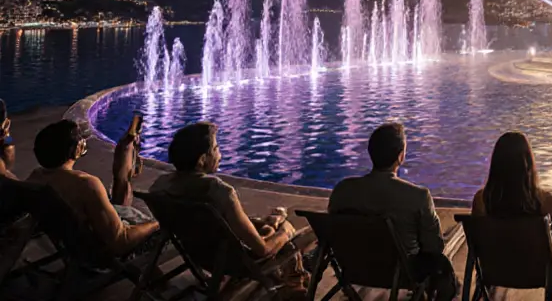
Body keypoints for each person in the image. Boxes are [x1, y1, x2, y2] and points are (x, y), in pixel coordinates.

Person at [150, 122, 313, 297]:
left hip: (198, 255)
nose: (220, 154)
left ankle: (292, 281)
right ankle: (294, 286)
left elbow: (217, 225)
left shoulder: (159, 187)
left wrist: (270, 224)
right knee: (306, 234)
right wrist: (285, 230)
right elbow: (263, 250)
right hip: (236, 263)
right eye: (216, 149)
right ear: (202, 159)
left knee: (268, 226)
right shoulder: (218, 191)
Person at [329, 123, 456, 296]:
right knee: (442, 265)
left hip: (354, 268)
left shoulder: (342, 191)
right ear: (400, 157)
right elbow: (434, 246)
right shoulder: (417, 196)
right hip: (404, 273)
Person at [25, 119, 158, 256]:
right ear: (76, 149)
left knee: (117, 201)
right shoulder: (86, 184)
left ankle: (126, 151)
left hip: (69, 242)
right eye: (80, 139)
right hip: (98, 254)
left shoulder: (36, 178)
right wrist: (157, 224)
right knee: (156, 228)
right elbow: (120, 241)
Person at [471, 131, 552, 287]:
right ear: (528, 163)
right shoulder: (544, 201)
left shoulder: (481, 200)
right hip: (539, 275)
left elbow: (477, 245)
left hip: (495, 274)